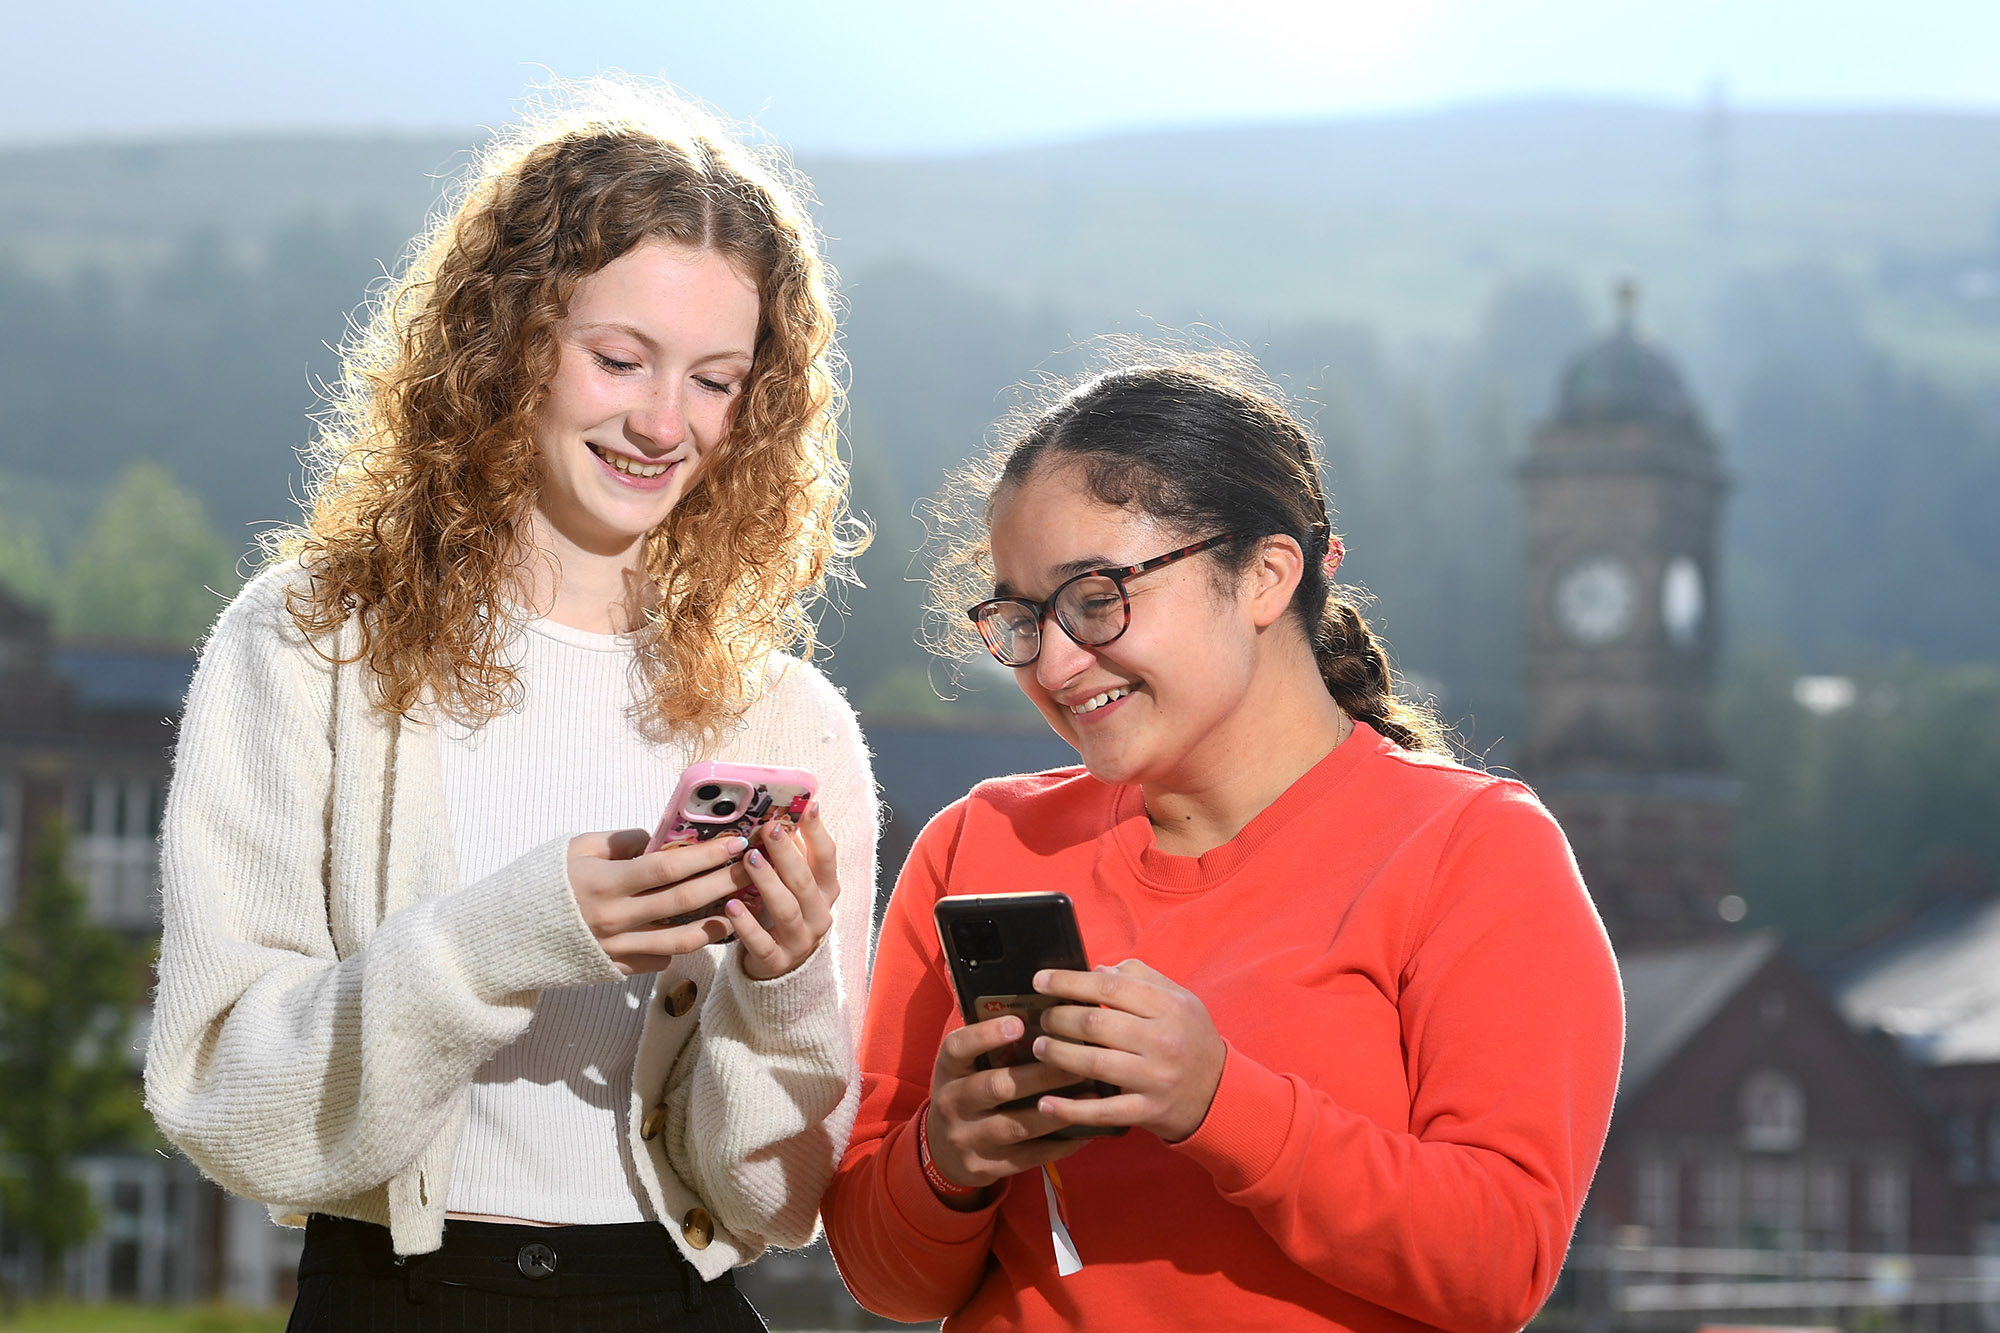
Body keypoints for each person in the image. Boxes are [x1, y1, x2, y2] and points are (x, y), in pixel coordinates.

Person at [144, 79, 876, 1331]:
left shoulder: (788, 721)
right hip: (394, 1298)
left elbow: (769, 1201)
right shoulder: (306, 644)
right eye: (618, 359)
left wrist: (789, 981)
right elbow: (226, 1101)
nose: (663, 423)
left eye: (714, 380)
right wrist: (515, 935)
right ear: (506, 342)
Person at [822, 352, 1623, 1330]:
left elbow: (1496, 1263)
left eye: (1096, 597)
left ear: (1265, 574)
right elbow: (886, 1279)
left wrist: (1216, 1100)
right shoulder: (978, 844)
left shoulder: (1476, 851)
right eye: (1023, 617)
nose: (1057, 661)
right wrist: (945, 1161)